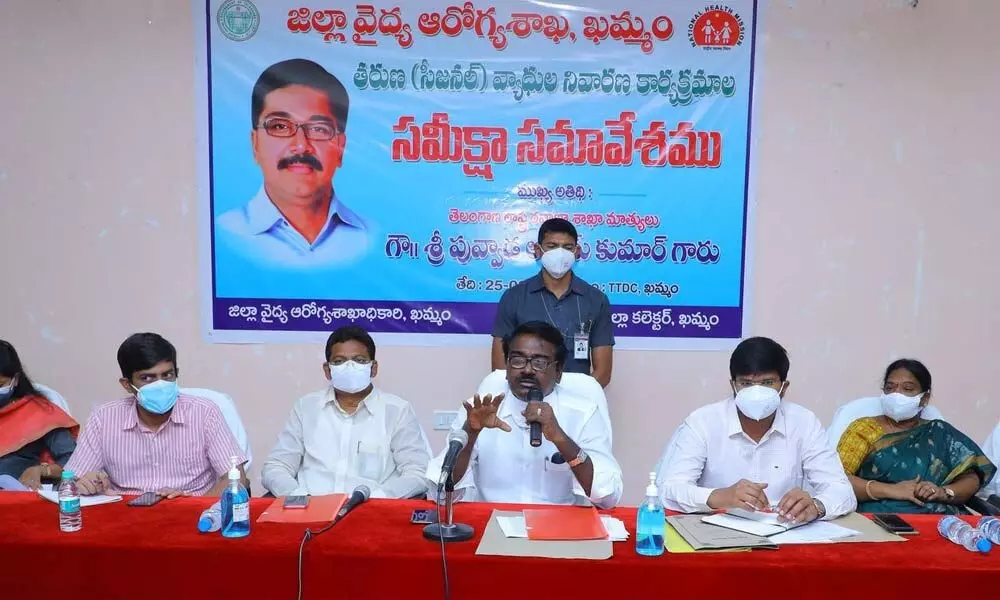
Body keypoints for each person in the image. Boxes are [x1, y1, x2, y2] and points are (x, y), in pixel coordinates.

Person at [657, 337, 856, 523]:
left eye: (767, 383)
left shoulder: (804, 422)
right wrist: (719, 496)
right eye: (746, 383)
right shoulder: (703, 421)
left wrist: (816, 506)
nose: (756, 391)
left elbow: (842, 491)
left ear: (784, 387)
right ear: (733, 385)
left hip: (784, 531)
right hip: (715, 529)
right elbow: (669, 489)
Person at [429, 321, 622, 507]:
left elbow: (607, 497)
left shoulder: (583, 413)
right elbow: (440, 493)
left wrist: (561, 438)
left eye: (539, 362)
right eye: (518, 360)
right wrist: (470, 433)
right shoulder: (478, 410)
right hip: (493, 526)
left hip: (558, 531)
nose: (527, 370)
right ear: (507, 366)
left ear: (558, 370)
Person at [217, 58, 367, 265]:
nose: (300, 146)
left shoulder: (368, 239)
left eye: (318, 129)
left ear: (340, 147)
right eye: (279, 127)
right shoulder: (223, 233)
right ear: (255, 144)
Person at [66, 333, 248, 497]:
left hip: (191, 517)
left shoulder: (205, 413)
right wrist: (84, 484)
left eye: (167, 375)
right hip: (127, 517)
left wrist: (193, 505)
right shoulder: (103, 419)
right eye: (147, 378)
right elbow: (69, 483)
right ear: (127, 385)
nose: (160, 385)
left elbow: (236, 479)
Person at [262, 326, 430, 498]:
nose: (350, 366)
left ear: (373, 368)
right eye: (339, 361)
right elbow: (276, 467)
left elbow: (417, 473)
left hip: (371, 512)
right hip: (311, 513)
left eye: (359, 360)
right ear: (328, 370)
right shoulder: (306, 408)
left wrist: (378, 499)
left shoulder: (397, 411)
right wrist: (298, 497)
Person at [836, 359, 996, 514]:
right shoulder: (864, 429)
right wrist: (893, 490)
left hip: (940, 521)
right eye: (890, 388)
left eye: (907, 389)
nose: (896, 394)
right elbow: (837, 480)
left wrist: (944, 492)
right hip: (878, 518)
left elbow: (972, 477)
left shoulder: (939, 432)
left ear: (924, 398)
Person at [492, 218, 614, 387]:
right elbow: (499, 370)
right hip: (524, 399)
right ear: (538, 250)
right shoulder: (514, 297)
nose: (560, 253)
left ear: (577, 252)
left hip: (577, 402)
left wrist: (572, 400)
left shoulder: (596, 300)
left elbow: (603, 373)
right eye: (552, 246)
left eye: (567, 247)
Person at [0, 340, 77, 490]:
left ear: (15, 380)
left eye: (0, 385)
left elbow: (75, 461)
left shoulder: (40, 411)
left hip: (16, 498)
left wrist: (42, 471)